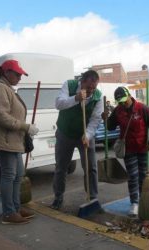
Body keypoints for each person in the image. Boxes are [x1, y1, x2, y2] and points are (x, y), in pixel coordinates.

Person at [0, 60, 39, 225]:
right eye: (17, 74)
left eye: (21, 74)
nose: (20, 77)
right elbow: (1, 115)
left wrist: (24, 129)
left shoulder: (6, 89)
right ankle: (8, 213)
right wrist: (25, 127)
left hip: (13, 140)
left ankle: (15, 208)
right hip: (4, 140)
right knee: (9, 175)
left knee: (18, 174)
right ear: (6, 72)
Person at [103, 87, 149, 217]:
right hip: (128, 149)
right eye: (120, 102)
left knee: (143, 177)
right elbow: (110, 127)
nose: (123, 103)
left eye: (124, 100)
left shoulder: (142, 109)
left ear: (129, 95)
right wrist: (105, 119)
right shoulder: (118, 111)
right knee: (132, 177)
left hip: (143, 149)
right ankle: (134, 203)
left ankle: (143, 201)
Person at [51, 70, 103, 210]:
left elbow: (95, 119)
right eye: (89, 87)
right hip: (65, 133)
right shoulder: (69, 85)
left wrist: (88, 135)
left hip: (84, 135)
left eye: (94, 87)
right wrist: (75, 98)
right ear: (82, 81)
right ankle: (58, 197)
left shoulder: (98, 96)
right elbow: (58, 104)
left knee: (91, 167)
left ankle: (93, 198)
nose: (91, 90)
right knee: (61, 168)